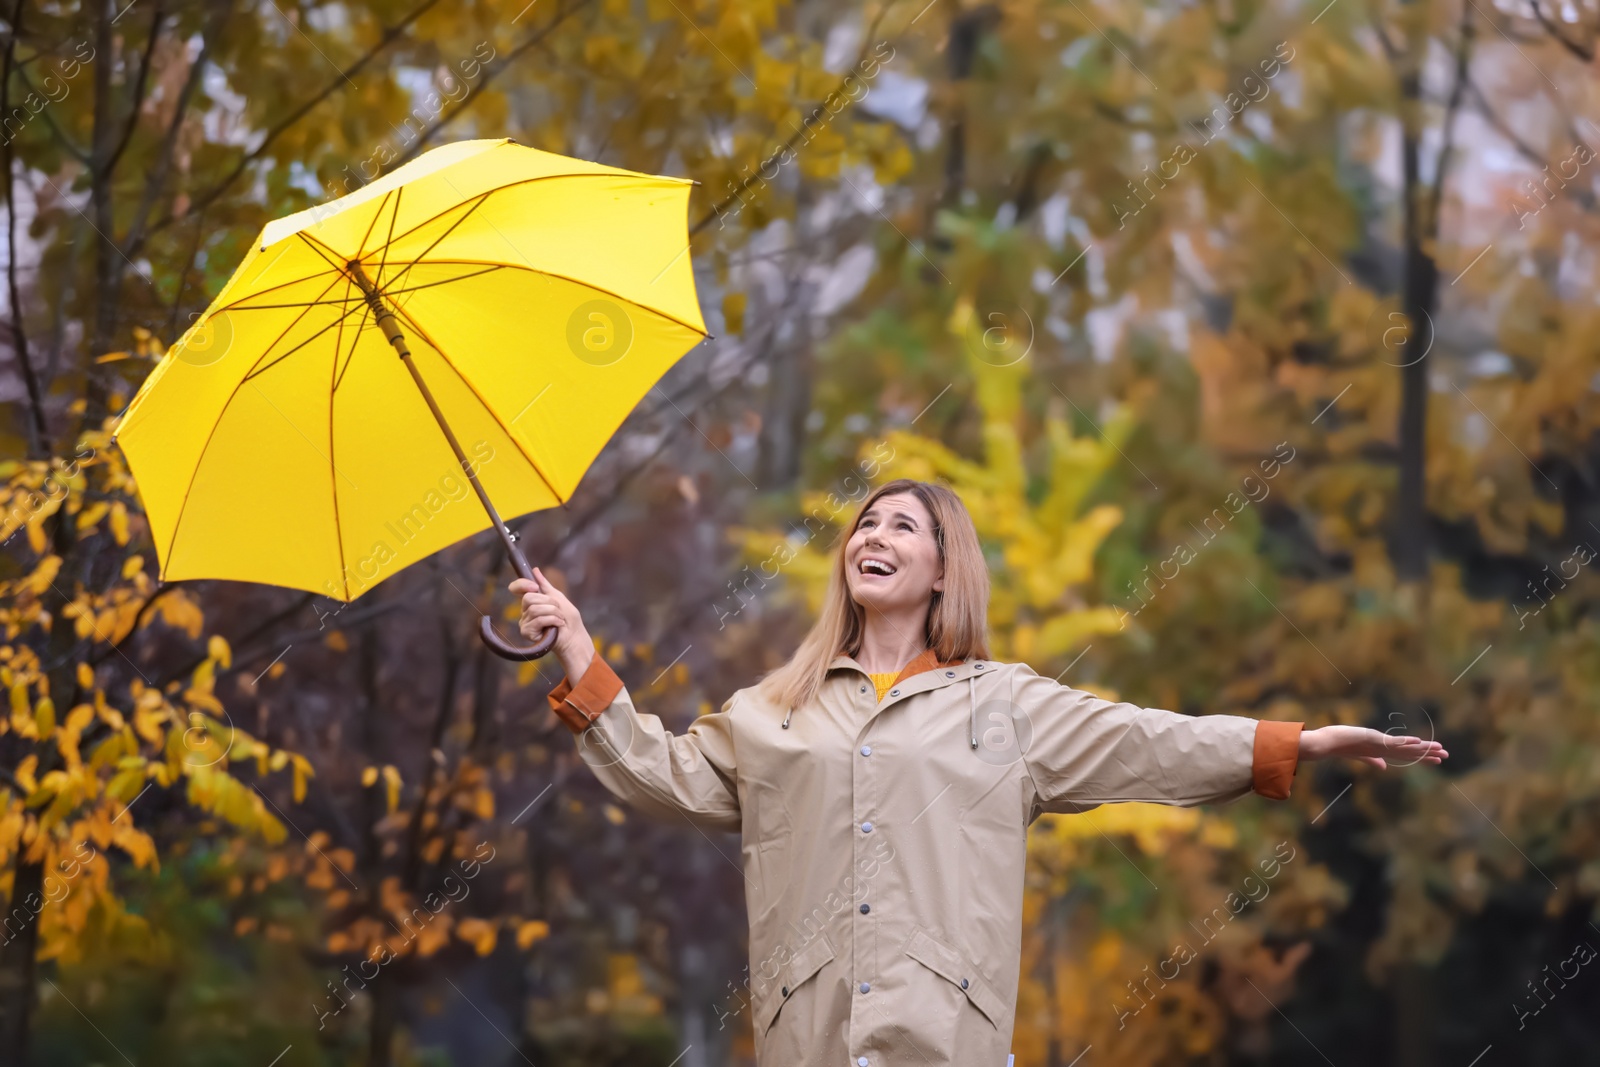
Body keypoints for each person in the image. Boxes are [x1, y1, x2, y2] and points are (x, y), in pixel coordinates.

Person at [510, 478, 1446, 1066]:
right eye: (864, 524)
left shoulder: (1007, 704)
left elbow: (1150, 743)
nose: (871, 536)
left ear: (945, 568)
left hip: (944, 1045)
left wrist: (1303, 742)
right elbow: (661, 775)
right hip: (807, 1043)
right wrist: (580, 654)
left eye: (902, 526)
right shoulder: (773, 708)